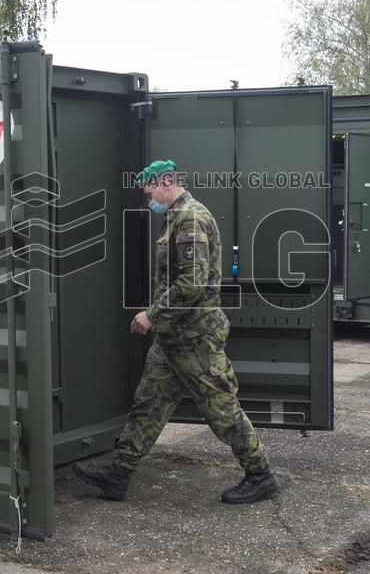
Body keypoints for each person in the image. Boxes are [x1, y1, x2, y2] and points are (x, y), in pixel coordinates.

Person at [71, 159, 278, 504]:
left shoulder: (190, 218)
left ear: (166, 182)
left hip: (195, 338)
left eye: (149, 191)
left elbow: (192, 283)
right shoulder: (175, 216)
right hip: (173, 338)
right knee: (148, 403)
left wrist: (152, 315)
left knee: (221, 409)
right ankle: (119, 474)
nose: (147, 199)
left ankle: (260, 473)